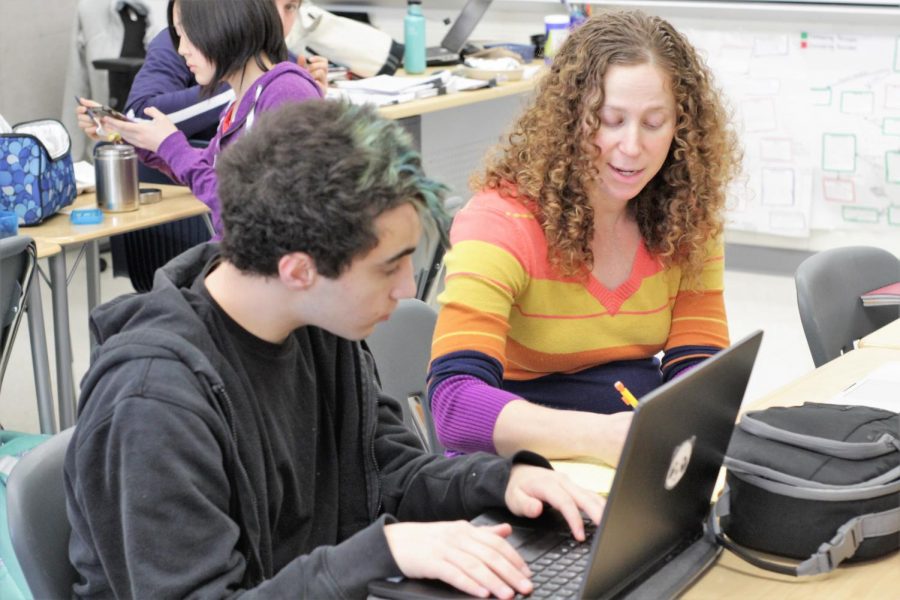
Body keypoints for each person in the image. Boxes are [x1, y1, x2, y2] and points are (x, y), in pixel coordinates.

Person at [64, 100, 605, 599]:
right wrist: (381, 552)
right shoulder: (153, 402)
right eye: (388, 266)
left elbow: (386, 473)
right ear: (298, 270)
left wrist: (502, 480)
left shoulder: (315, 322)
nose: (405, 288)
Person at [427, 10, 741, 465]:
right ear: (570, 118)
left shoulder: (685, 219)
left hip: (626, 458)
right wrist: (599, 438)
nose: (632, 147)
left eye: (655, 124)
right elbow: (454, 407)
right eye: (611, 120)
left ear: (682, 129)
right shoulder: (501, 222)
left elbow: (698, 368)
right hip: (513, 469)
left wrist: (688, 424)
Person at [75, 0, 322, 237]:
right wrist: (123, 135)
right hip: (241, 261)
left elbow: (256, 212)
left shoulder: (287, 92)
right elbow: (205, 171)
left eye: (187, 34)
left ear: (224, 25)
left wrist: (171, 144)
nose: (181, 49)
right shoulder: (239, 102)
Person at [123, 0, 329, 145]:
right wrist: (246, 87)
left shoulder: (290, 66)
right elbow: (139, 116)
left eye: (291, 7)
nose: (278, 18)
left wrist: (312, 97)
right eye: (268, 3)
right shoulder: (174, 44)